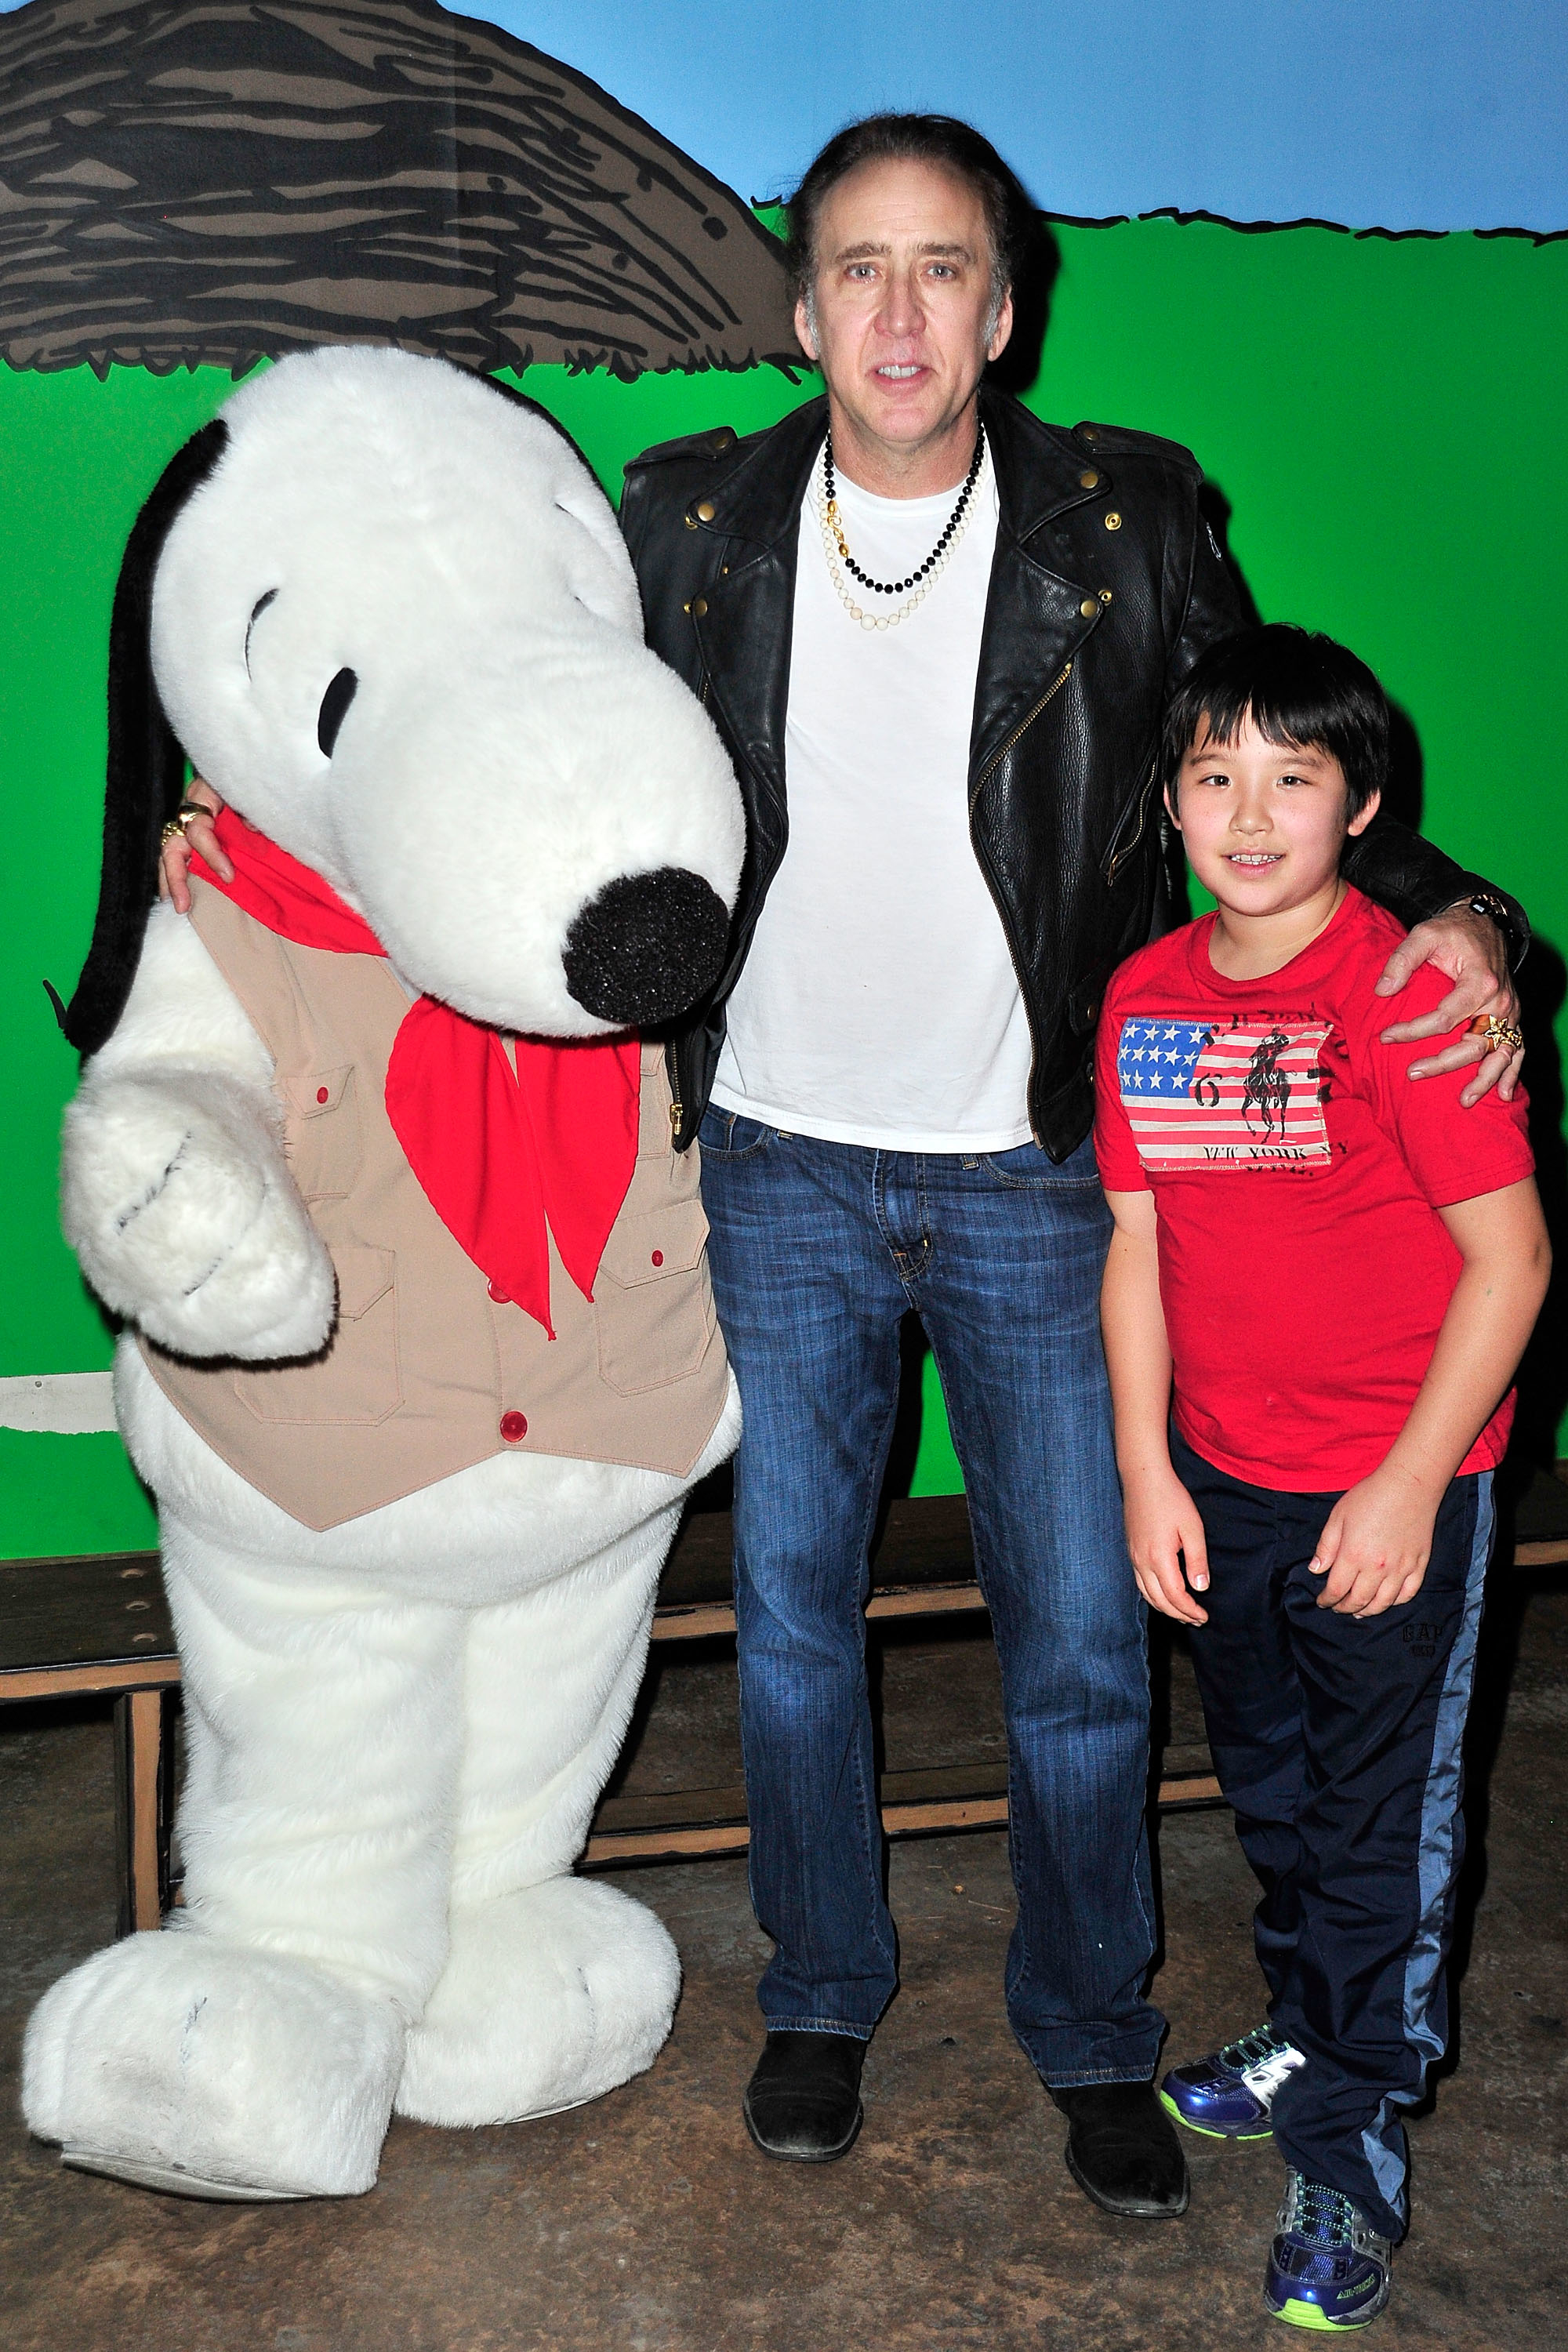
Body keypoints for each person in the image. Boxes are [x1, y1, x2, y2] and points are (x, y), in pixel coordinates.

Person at [162, 114, 1529, 2220]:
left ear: (1004, 306)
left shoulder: (1124, 523)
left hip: (1038, 1173)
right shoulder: (690, 524)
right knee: (794, 1622)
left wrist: (1454, 915)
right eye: (860, 269)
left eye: (944, 268)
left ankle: (1087, 2030)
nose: (900, 311)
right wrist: (259, 841)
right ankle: (823, 1991)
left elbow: (1269, 747)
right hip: (780, 1165)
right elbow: (496, 713)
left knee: (1077, 1639)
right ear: (805, 308)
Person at [1094, 623, 1547, 2324]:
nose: (1251, 810)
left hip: (1391, 1495)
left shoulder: (1409, 994)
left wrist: (1412, 1486)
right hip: (1226, 1485)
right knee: (1276, 1803)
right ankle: (1305, 2034)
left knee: (1377, 1844)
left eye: (1294, 776)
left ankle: (1347, 2155)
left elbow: (1508, 1266)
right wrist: (1146, 1469)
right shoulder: (1141, 999)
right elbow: (1136, 1242)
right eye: (1215, 774)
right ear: (1170, 802)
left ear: (1361, 806)